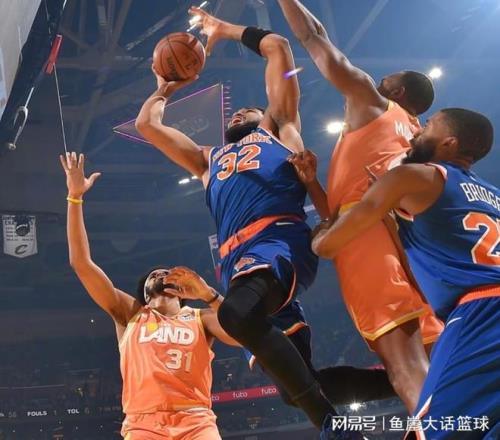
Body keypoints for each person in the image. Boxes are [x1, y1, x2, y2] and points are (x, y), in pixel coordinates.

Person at [135, 7, 371, 438]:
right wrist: (164, 88)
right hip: (239, 262)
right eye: (235, 112)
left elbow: (277, 47)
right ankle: (414, 383)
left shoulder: (279, 129)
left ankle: (334, 427)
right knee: (296, 386)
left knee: (235, 315)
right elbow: (146, 125)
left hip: (276, 243)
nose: (238, 112)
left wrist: (224, 30)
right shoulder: (206, 160)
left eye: (248, 109)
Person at [277, 0, 444, 413]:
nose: (379, 78)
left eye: (388, 78)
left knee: (402, 362)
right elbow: (340, 208)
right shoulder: (418, 136)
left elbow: (313, 36)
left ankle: (437, 431)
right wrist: (313, 183)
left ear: (397, 92)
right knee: (433, 359)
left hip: (366, 235)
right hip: (413, 238)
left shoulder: (372, 103)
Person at [311, 108, 500, 439]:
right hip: (480, 308)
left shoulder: (412, 177)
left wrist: (319, 236)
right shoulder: (493, 196)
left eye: (428, 126)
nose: (417, 132)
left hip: (481, 313)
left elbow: (330, 246)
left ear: (449, 143)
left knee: (439, 428)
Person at [60, 151, 240, 440]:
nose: (161, 273)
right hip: (143, 423)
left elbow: (243, 335)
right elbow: (81, 263)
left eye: (166, 272)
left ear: (182, 292)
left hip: (195, 420)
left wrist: (208, 294)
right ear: (145, 293)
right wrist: (74, 198)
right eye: (154, 275)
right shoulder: (131, 312)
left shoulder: (201, 317)